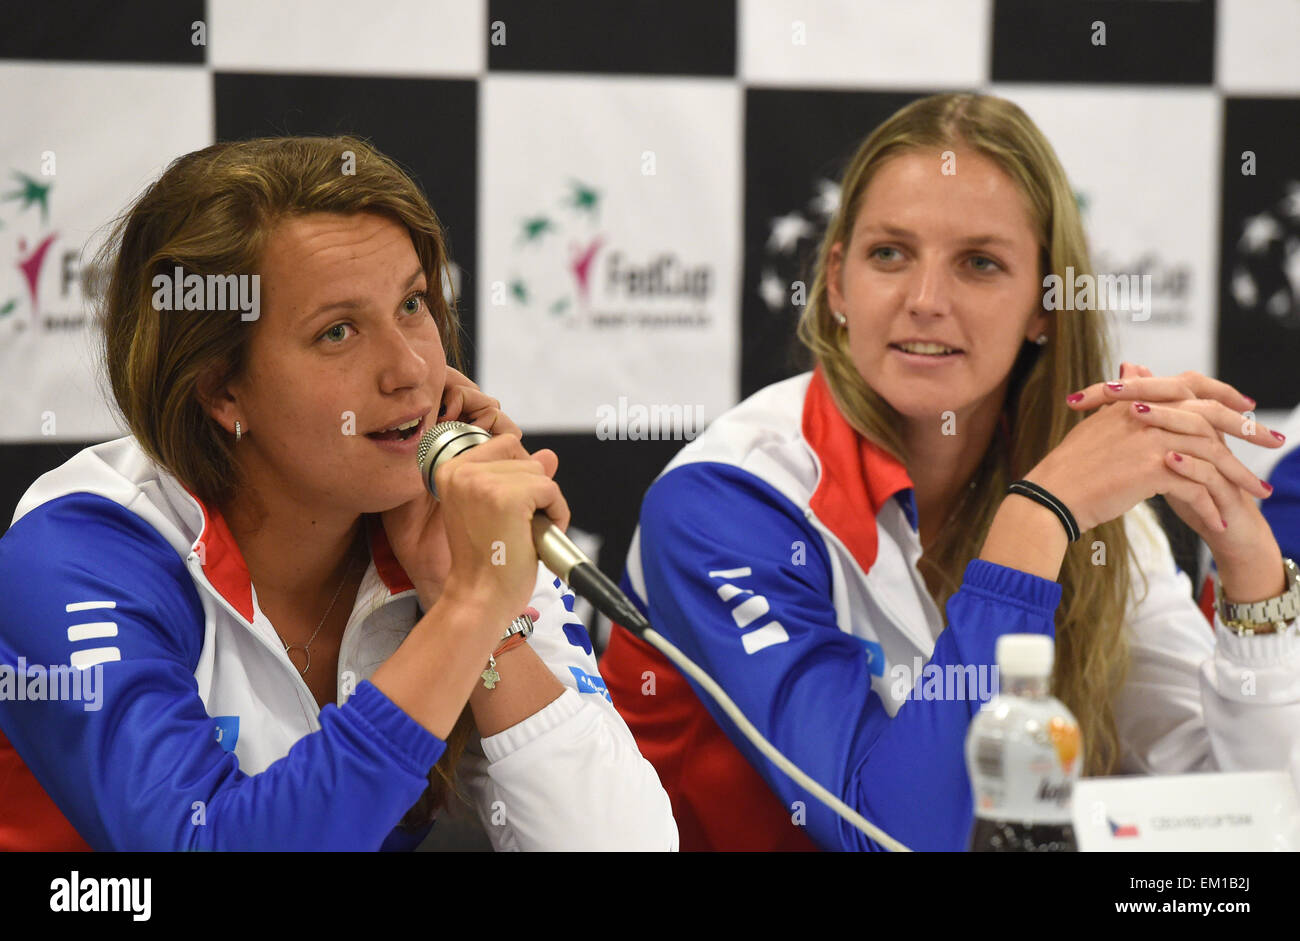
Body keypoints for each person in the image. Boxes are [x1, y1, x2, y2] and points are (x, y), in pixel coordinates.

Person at [599, 93, 1300, 852]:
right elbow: (892, 835)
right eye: (889, 254)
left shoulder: (1087, 505)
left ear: (1045, 305)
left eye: (979, 263)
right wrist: (1036, 518)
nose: (925, 301)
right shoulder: (723, 500)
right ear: (836, 283)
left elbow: (1246, 819)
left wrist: (1251, 571)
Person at [0, 135, 677, 851]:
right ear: (221, 390)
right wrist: (472, 607)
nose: (411, 367)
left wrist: (468, 601)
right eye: (338, 332)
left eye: (413, 302)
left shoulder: (456, 524)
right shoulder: (78, 555)